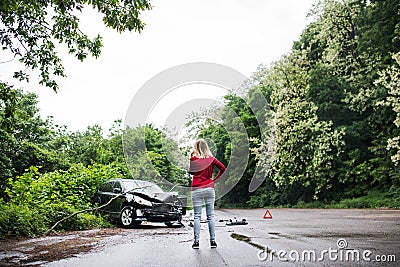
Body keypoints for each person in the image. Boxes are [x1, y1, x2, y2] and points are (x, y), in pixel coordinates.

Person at [188, 138, 226, 249]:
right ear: (206, 147)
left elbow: (191, 172)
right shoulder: (211, 159)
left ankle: (196, 242)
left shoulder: (194, 158)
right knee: (210, 216)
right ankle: (213, 241)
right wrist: (215, 179)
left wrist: (191, 157)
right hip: (209, 188)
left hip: (197, 189)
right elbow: (223, 168)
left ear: (196, 148)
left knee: (197, 216)